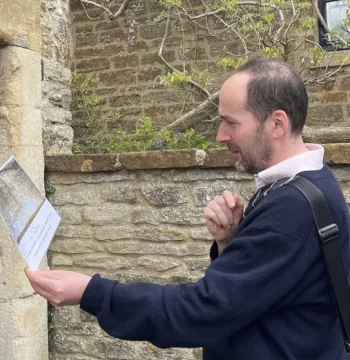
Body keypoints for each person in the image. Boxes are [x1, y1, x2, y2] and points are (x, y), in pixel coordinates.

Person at [25, 58, 350, 360]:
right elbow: (257, 293)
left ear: (277, 124)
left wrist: (91, 292)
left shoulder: (292, 207)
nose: (220, 136)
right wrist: (229, 242)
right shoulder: (306, 183)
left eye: (230, 122)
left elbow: (203, 310)